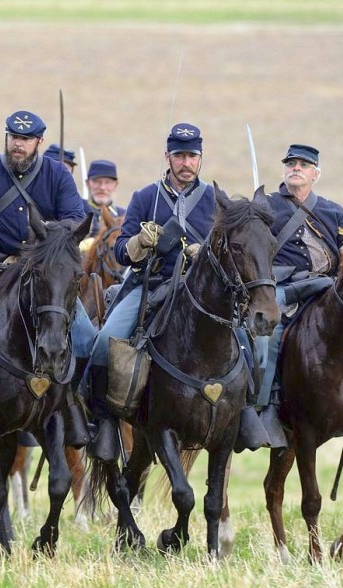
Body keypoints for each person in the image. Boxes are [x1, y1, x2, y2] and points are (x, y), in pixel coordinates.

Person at [82, 122, 270, 462]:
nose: (186, 163)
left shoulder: (216, 201)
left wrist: (204, 253)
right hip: (152, 286)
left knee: (249, 342)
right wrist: (140, 242)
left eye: (192, 156)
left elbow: (232, 246)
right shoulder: (144, 197)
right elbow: (121, 251)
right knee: (103, 342)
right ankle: (104, 421)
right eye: (180, 156)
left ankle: (245, 413)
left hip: (204, 294)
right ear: (167, 157)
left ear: (200, 159)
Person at [0, 110, 96, 442]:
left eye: (25, 140)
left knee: (86, 336)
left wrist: (49, 237)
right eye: (14, 137)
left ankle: (73, 403)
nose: (18, 145)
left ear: (39, 142)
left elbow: (75, 219)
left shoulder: (57, 176)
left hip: (40, 271)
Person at [254, 144, 343, 449]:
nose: (296, 168)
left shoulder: (333, 211)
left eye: (304, 165)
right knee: (267, 334)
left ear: (315, 174)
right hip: (283, 289)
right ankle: (265, 405)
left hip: (325, 288)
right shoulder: (267, 206)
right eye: (291, 163)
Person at [84, 159, 125, 237]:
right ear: (87, 183)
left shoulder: (123, 215)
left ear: (116, 185)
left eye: (108, 182)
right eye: (97, 181)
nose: (102, 187)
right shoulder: (79, 211)